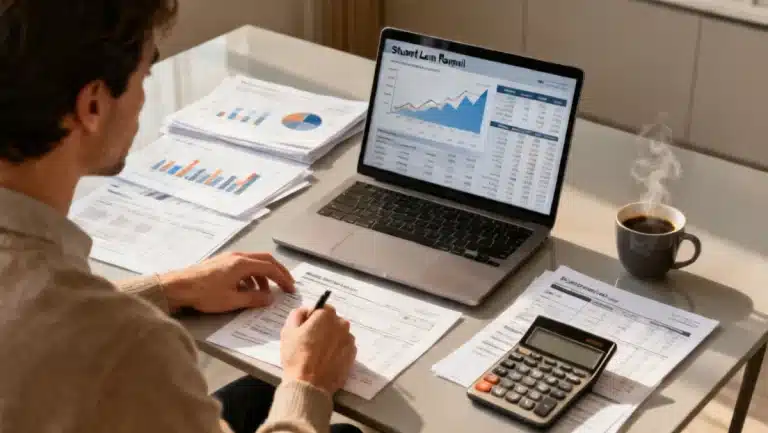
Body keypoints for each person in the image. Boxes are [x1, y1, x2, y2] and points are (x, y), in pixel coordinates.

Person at [0, 1, 360, 433]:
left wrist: (167, 289)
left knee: (256, 391)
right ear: (92, 106)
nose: (143, 98)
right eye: (143, 77)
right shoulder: (132, 350)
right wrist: (308, 383)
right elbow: (80, 332)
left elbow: (32, 314)